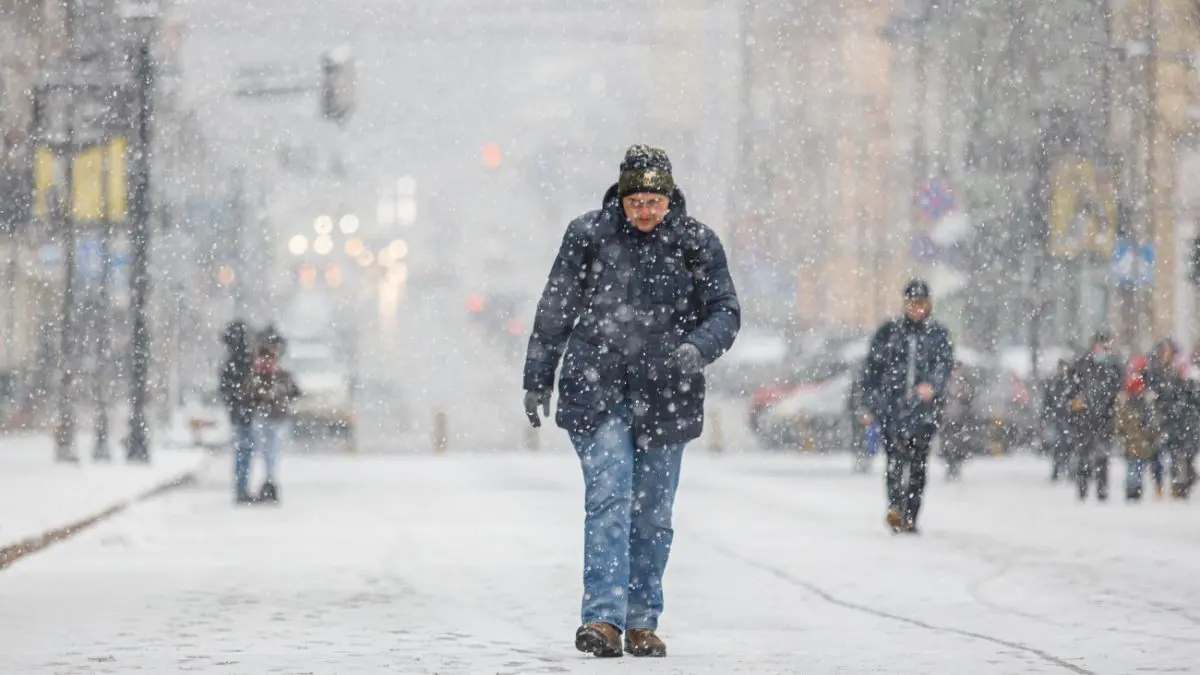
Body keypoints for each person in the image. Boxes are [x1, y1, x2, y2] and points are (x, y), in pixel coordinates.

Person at [522, 144, 740, 658]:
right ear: (620, 198)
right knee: (611, 498)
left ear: (669, 198)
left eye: (654, 202)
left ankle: (642, 620)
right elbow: (556, 308)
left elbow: (726, 311)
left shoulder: (696, 244)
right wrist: (538, 377)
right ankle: (602, 618)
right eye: (636, 201)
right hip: (596, 388)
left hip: (668, 392)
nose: (645, 211)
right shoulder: (588, 237)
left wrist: (697, 348)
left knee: (653, 513)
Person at [860, 279, 954, 534]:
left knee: (918, 464)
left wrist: (931, 387)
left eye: (921, 303)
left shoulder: (938, 335)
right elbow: (871, 370)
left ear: (929, 304)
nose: (916, 309)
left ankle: (911, 514)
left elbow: (944, 366)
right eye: (912, 303)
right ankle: (895, 507)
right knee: (894, 460)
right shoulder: (889, 332)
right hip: (892, 408)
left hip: (924, 412)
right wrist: (869, 404)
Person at [1066, 331, 1122, 502]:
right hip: (1085, 418)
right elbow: (1072, 390)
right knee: (1084, 455)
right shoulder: (1082, 365)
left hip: (1104, 418)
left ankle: (1101, 491)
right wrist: (1077, 405)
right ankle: (1082, 488)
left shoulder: (1113, 367)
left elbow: (1116, 391)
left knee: (1102, 456)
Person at [247, 337, 301, 504]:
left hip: (275, 418)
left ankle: (270, 481)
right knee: (269, 452)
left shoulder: (277, 376)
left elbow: (294, 391)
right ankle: (269, 481)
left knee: (271, 451)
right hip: (268, 417)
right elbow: (250, 395)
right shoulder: (264, 376)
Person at [219, 320, 256, 504]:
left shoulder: (232, 360)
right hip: (244, 412)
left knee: (243, 449)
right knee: (245, 449)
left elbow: (225, 389)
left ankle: (241, 486)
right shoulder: (242, 359)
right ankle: (241, 487)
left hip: (239, 412)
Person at [1114, 357, 1160, 501]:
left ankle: (1134, 489)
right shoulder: (1128, 402)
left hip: (1139, 442)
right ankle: (1133, 490)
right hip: (1135, 442)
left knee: (1136, 468)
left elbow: (1152, 422)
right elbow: (1121, 423)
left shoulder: (1144, 400)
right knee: (1134, 468)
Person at [940, 360, 977, 481]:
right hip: (947, 418)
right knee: (947, 443)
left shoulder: (965, 382)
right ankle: (950, 464)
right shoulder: (945, 381)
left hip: (959, 418)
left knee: (958, 443)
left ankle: (955, 464)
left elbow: (969, 399)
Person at [1043, 359, 1076, 483]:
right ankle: (1057, 470)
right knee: (1058, 446)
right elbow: (1047, 402)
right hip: (1057, 419)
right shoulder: (1053, 384)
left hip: (1068, 419)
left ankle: (1067, 470)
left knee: (1068, 446)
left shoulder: (1070, 384)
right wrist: (1046, 417)